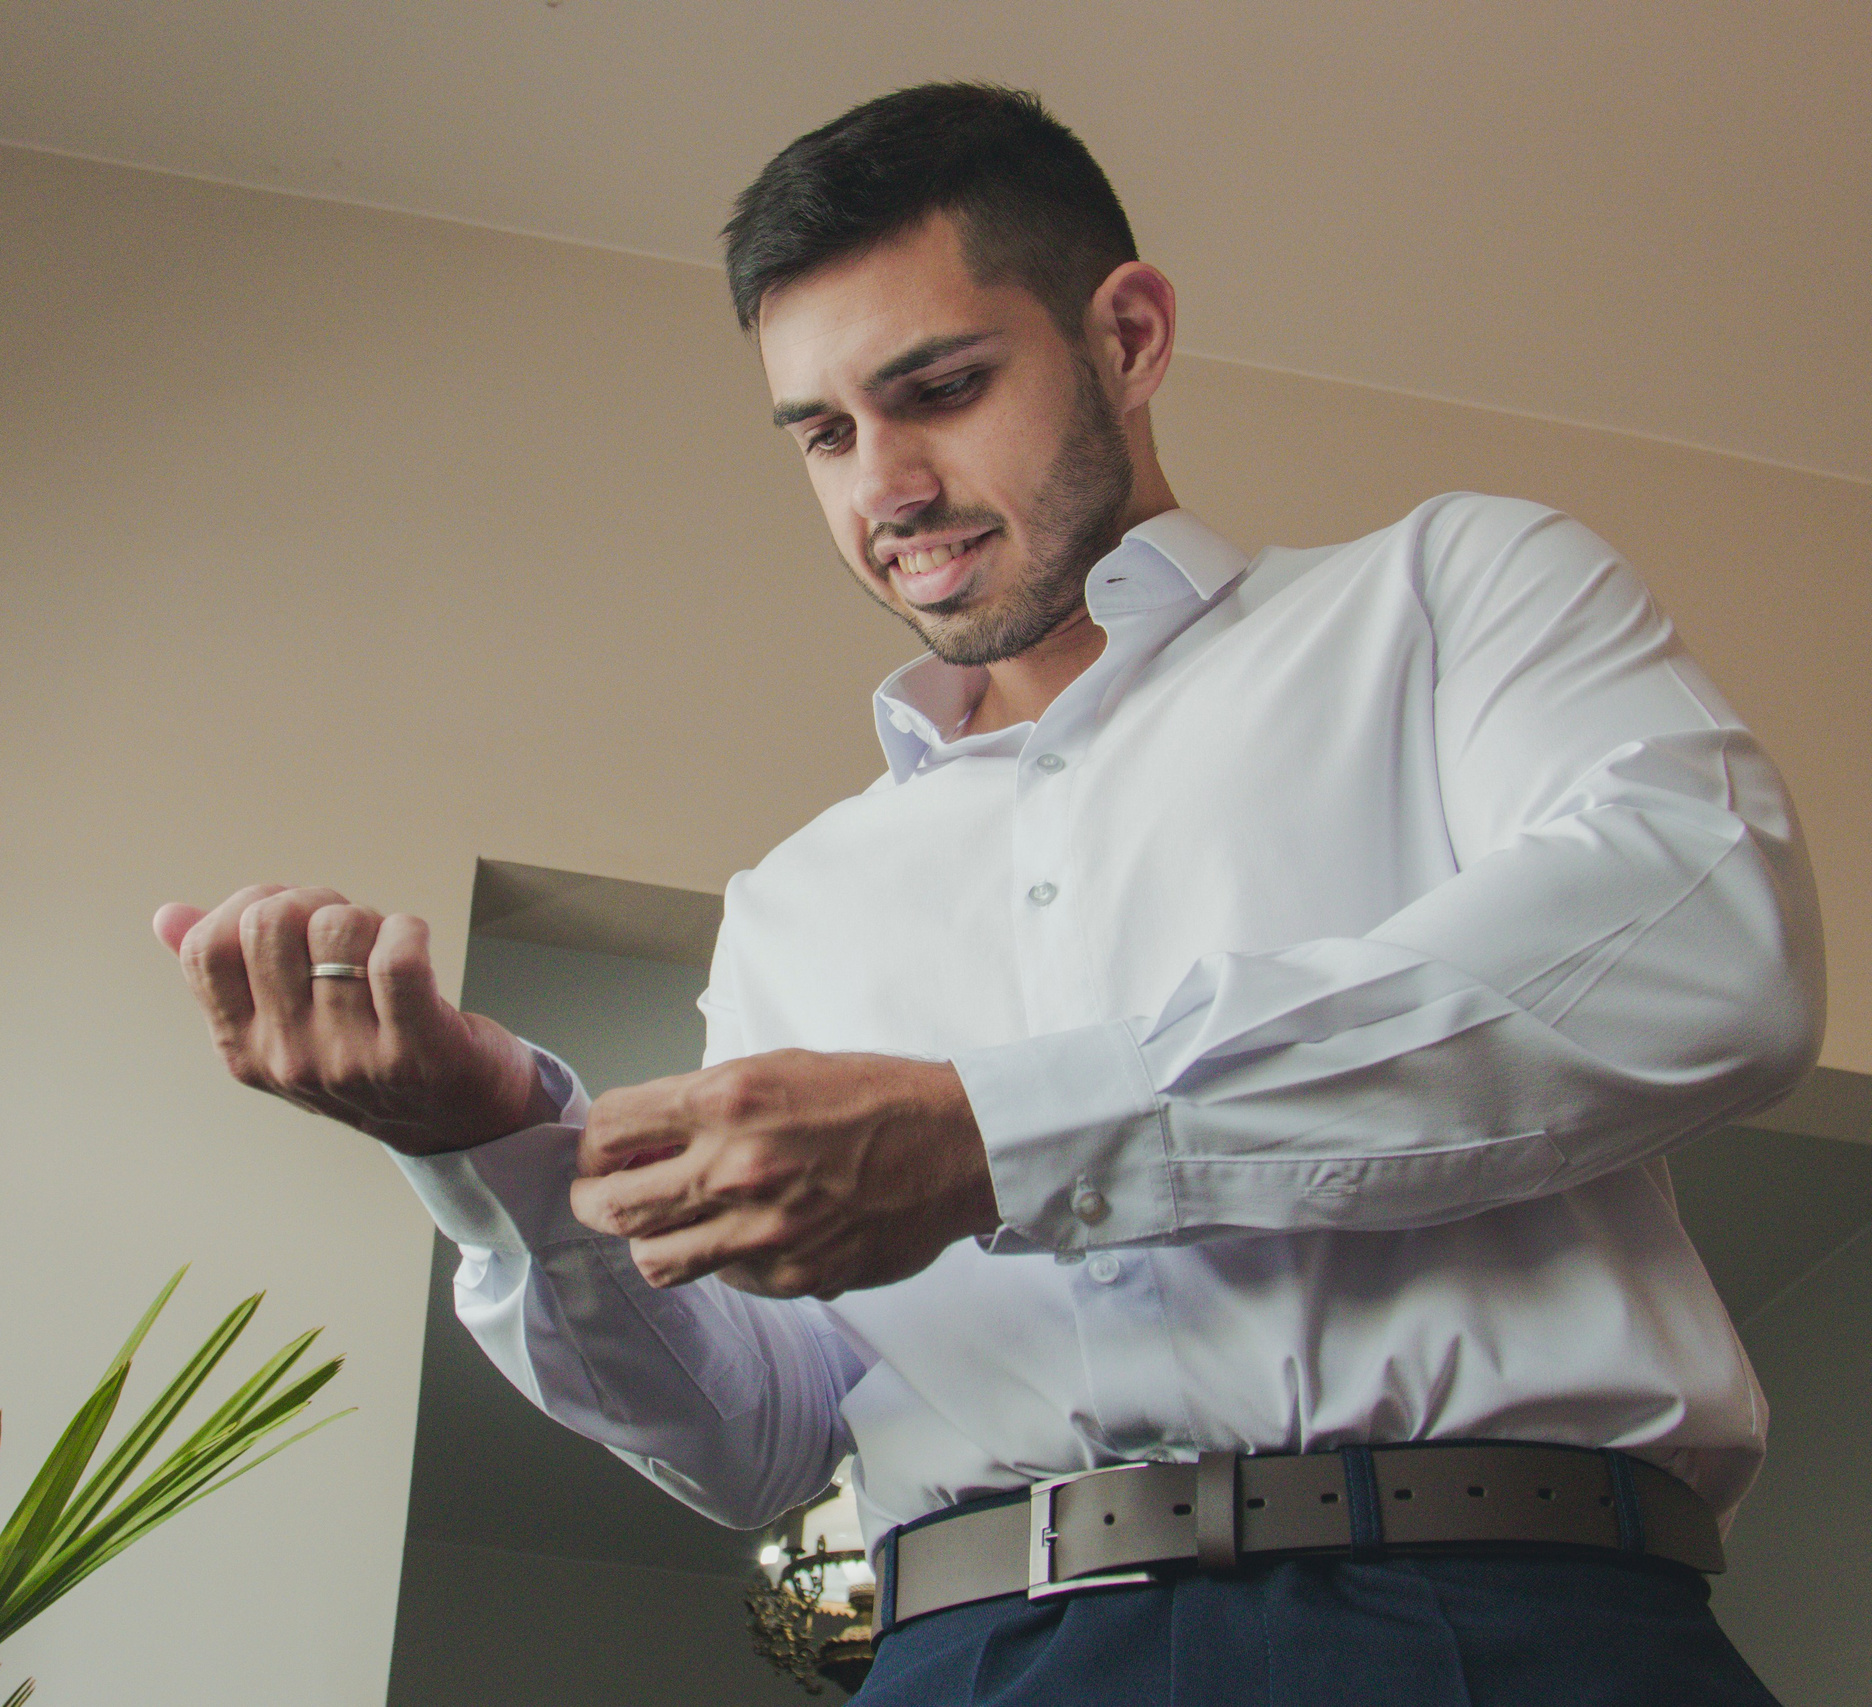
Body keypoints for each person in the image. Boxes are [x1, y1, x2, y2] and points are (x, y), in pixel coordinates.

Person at [154, 83, 1819, 1705]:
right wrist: (496, 1145)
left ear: (1131, 335)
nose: (884, 489)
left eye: (938, 386)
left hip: (1504, 1628)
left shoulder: (1451, 595)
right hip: (972, 1658)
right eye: (824, 432)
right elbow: (760, 1438)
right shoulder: (798, 898)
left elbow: (1702, 942)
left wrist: (995, 1135)